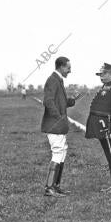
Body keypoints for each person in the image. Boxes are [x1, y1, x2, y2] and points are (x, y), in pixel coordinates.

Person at [85, 63, 111, 193]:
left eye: (104, 74)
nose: (101, 76)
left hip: (110, 128)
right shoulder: (106, 86)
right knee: (110, 157)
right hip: (102, 127)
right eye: (100, 74)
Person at [41, 56, 77, 197]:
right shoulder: (52, 80)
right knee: (57, 153)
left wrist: (72, 100)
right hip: (54, 125)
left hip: (59, 125)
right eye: (68, 68)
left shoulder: (58, 80)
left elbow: (59, 102)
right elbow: (48, 101)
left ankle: (56, 186)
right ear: (61, 67)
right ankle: (49, 188)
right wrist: (58, 117)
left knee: (62, 153)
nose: (70, 70)